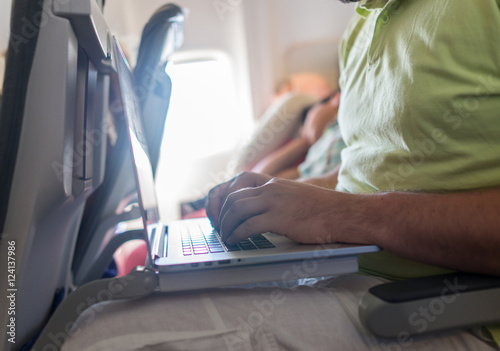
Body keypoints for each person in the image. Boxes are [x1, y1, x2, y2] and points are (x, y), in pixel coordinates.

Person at [63, 1, 500, 349]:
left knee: (101, 336)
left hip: (442, 307)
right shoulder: (360, 28)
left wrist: (341, 216)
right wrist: (278, 196)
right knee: (105, 304)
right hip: (346, 270)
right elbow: (361, 175)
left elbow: (356, 207)